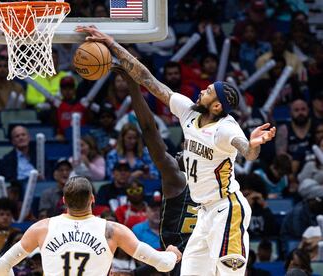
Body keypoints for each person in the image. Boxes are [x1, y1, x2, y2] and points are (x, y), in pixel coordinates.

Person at [75, 26, 276, 275]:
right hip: (204, 213)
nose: (202, 89)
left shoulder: (225, 129)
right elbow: (149, 80)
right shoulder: (189, 111)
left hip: (227, 210)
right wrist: (113, 44)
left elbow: (247, 151)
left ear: (215, 106)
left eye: (209, 91)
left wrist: (254, 145)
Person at [0, 176, 182, 276]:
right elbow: (163, 265)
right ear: (92, 199)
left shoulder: (42, 228)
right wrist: (172, 253)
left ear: (64, 200)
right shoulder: (112, 230)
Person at [115, 67, 198, 276]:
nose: (178, 152)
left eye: (184, 150)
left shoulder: (177, 179)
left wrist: (134, 87)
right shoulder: (217, 183)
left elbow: (150, 130)